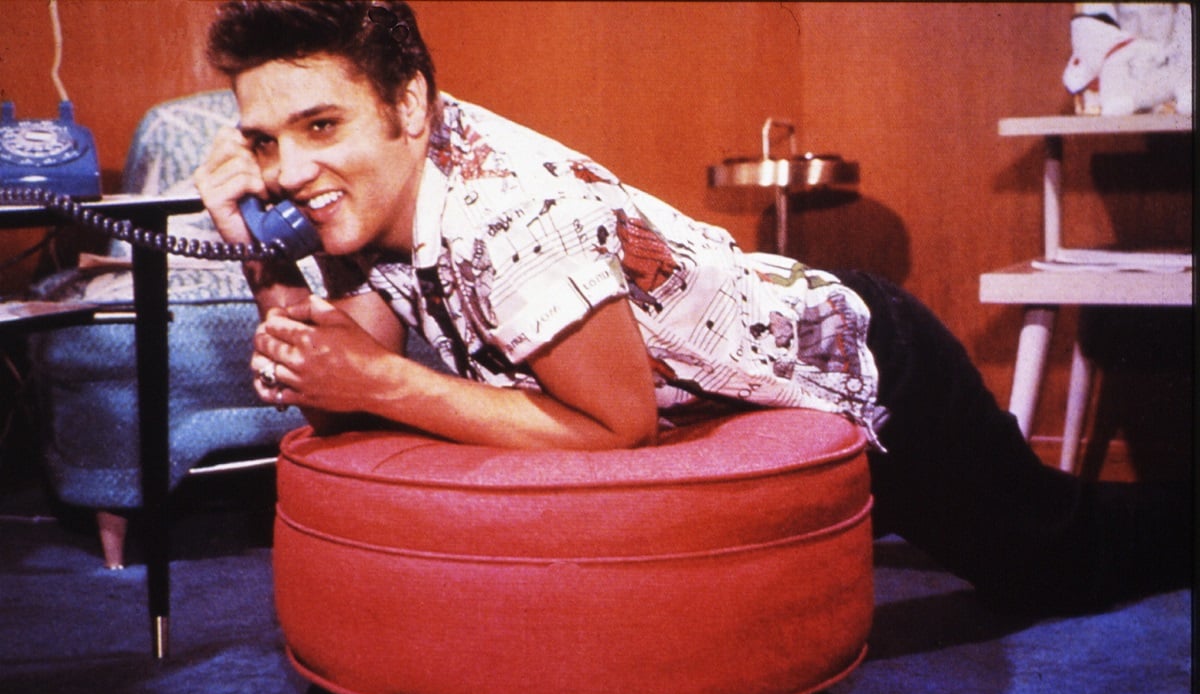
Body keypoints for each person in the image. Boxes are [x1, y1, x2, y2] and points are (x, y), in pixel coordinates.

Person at [194, 0, 1190, 616]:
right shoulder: (365, 191)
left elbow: (611, 425)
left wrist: (381, 377)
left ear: (407, 104)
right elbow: (336, 386)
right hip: (735, 378)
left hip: (871, 364)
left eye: (321, 124)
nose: (296, 167)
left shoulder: (515, 216)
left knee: (1054, 559)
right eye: (267, 140)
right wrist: (256, 243)